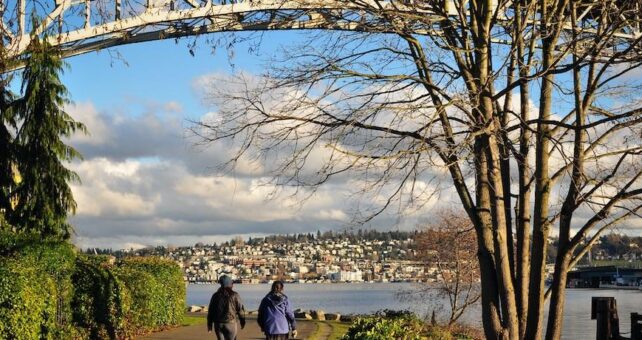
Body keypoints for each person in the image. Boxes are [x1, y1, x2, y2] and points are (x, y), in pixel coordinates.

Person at [207, 275, 246, 340]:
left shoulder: (215, 295)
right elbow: (240, 310)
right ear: (229, 284)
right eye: (232, 283)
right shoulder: (235, 295)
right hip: (231, 323)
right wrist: (242, 322)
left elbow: (211, 310)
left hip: (218, 323)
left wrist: (209, 325)